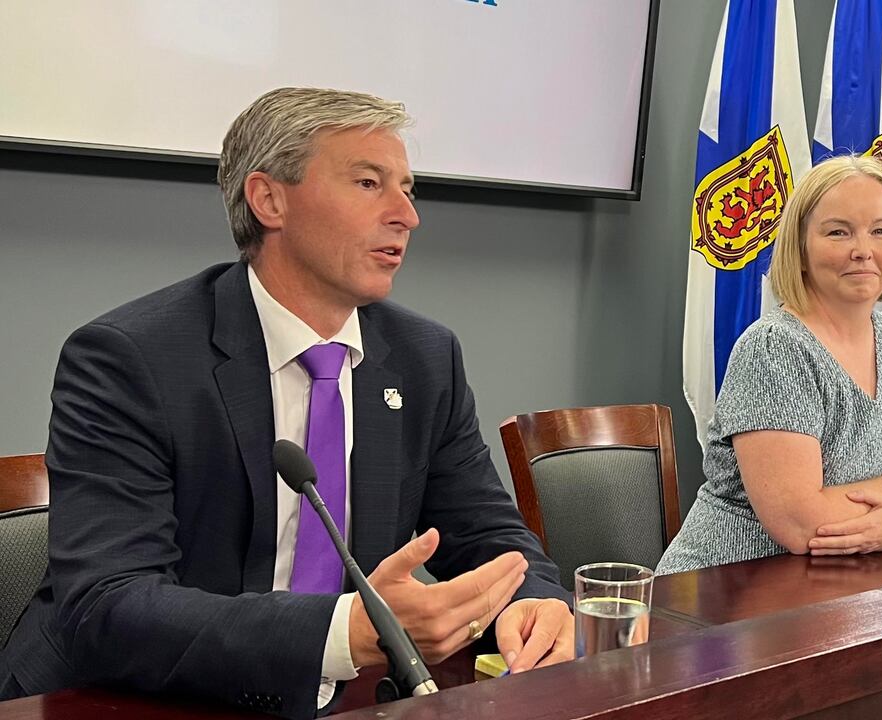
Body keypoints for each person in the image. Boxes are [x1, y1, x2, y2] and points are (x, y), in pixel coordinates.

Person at [0, 88, 573, 719]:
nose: (407, 215)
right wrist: (340, 632)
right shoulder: (129, 359)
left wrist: (531, 602)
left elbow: (489, 533)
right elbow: (109, 604)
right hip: (128, 700)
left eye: (408, 189)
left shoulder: (424, 358)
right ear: (269, 199)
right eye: (368, 182)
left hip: (342, 700)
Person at [657, 156, 882, 575]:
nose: (863, 250)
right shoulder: (774, 349)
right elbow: (802, 524)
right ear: (799, 248)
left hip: (848, 587)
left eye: (881, 231)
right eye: (839, 232)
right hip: (727, 595)